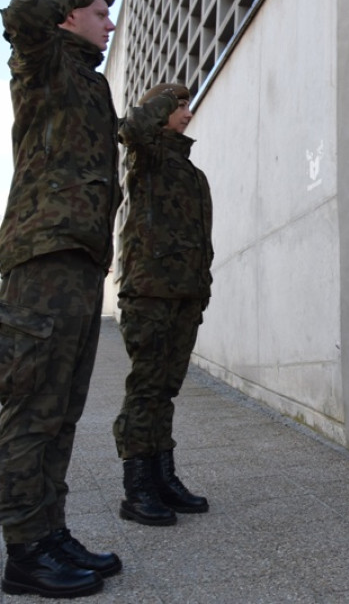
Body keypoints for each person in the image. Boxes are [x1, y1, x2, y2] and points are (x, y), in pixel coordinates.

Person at [0, 0, 122, 598]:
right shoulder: (43, 62)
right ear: (68, 18)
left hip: (78, 259)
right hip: (42, 256)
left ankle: (50, 532)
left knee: (63, 411)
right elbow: (20, 11)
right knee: (31, 410)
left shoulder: (91, 83)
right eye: (98, 12)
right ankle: (24, 552)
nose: (108, 21)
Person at [114, 82, 213, 527]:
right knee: (146, 389)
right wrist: (165, 95)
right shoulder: (147, 157)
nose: (187, 114)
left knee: (166, 391)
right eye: (179, 107)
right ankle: (137, 489)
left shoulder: (193, 175)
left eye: (188, 106)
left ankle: (162, 477)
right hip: (150, 292)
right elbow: (132, 129)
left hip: (185, 295)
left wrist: (202, 287)